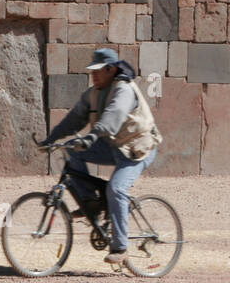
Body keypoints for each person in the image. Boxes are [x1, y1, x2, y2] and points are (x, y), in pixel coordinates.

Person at [38, 47, 162, 266]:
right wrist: (51, 139)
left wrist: (91, 136)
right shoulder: (93, 93)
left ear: (111, 69)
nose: (93, 75)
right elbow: (74, 119)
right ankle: (91, 203)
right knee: (71, 149)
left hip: (137, 149)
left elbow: (113, 117)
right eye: (92, 71)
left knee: (116, 188)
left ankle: (121, 248)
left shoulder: (124, 90)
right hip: (113, 145)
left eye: (98, 71)